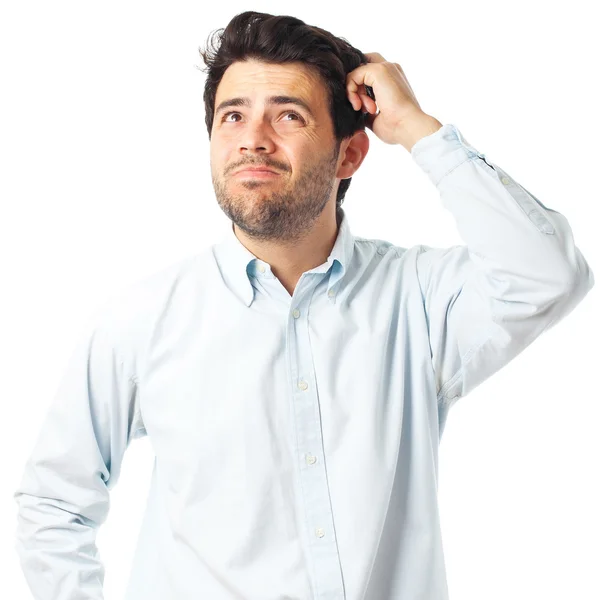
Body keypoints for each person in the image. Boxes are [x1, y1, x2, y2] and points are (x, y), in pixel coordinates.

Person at [13, 10, 594, 600]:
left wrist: (419, 128)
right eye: (232, 116)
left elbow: (547, 275)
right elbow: (53, 505)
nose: (252, 139)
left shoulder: (419, 301)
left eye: (288, 115)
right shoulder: (142, 320)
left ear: (350, 156)